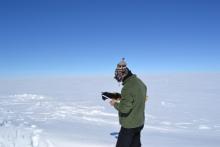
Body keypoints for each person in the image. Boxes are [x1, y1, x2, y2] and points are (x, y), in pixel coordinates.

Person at [110, 58, 147, 147]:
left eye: (118, 75)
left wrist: (114, 103)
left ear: (123, 74)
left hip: (129, 126)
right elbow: (136, 97)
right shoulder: (140, 82)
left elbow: (124, 109)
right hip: (139, 123)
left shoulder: (127, 88)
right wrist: (122, 97)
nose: (118, 78)